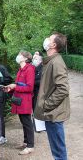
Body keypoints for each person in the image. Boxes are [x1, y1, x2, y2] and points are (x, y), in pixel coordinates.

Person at [34, 32, 70, 160]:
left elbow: (63, 89)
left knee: (59, 152)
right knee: (57, 150)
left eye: (49, 38)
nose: (46, 40)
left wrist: (46, 105)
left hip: (54, 114)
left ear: (53, 44)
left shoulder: (56, 62)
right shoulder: (50, 61)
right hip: (52, 113)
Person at [4, 51, 35, 155]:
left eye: (20, 55)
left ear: (26, 58)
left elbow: (30, 88)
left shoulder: (29, 69)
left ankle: (30, 146)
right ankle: (26, 142)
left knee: (27, 123)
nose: (18, 56)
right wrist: (10, 88)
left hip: (25, 100)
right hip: (19, 99)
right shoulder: (20, 69)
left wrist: (15, 87)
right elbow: (18, 84)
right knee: (23, 122)